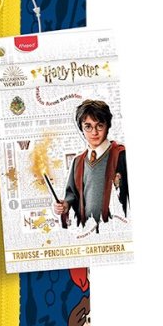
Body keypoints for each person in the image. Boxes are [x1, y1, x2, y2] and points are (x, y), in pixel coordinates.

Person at [53, 99, 129, 231]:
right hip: (88, 230)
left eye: (99, 126)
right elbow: (72, 195)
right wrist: (65, 205)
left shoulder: (122, 156)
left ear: (107, 126)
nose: (94, 133)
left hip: (117, 227)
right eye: (88, 127)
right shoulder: (78, 162)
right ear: (81, 129)